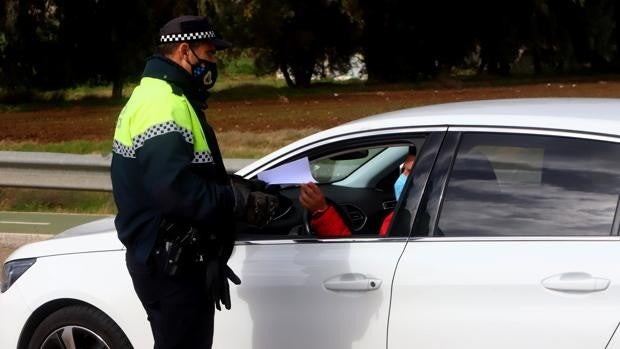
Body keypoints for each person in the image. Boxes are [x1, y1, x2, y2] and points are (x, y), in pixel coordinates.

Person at [111, 15, 276, 349]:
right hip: (170, 266)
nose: (213, 62)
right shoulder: (162, 104)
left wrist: (233, 187)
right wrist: (236, 202)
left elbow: (187, 174)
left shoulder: (166, 96)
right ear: (185, 51)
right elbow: (174, 191)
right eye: (210, 53)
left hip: (176, 261)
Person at [299, 147, 416, 237]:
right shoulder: (417, 212)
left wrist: (321, 212)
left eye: (409, 172)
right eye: (403, 170)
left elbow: (367, 259)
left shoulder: (405, 220)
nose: (401, 177)